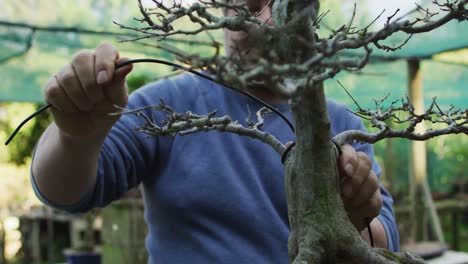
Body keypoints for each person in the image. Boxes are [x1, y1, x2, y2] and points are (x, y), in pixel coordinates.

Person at [31, 1, 399, 263]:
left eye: (286, 6)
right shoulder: (166, 105)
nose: (269, 21)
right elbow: (66, 193)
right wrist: (75, 138)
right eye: (252, 6)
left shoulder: (342, 126)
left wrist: (355, 219)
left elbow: (386, 240)